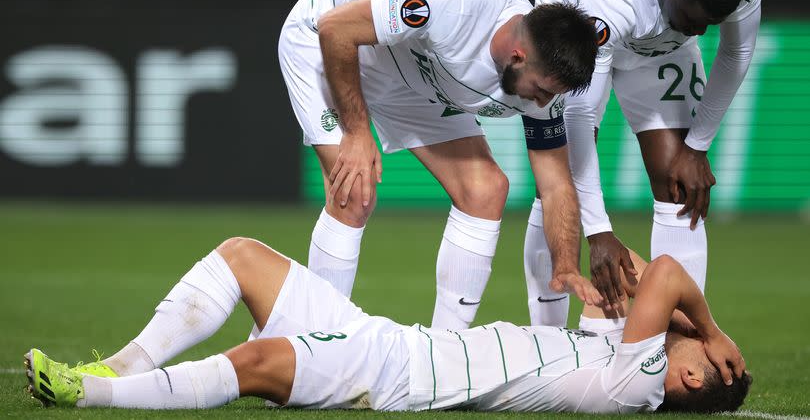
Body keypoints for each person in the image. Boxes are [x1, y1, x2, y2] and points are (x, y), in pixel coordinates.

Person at [24, 235, 750, 413]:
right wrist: (703, 334)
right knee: (242, 256)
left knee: (256, 364)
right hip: (393, 338)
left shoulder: (640, 384)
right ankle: (116, 365)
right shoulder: (631, 363)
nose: (709, 342)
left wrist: (713, 328)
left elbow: (665, 276)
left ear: (690, 373)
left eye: (712, 356)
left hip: (395, 374)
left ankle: (90, 396)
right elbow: (658, 285)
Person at [278, 0, 607, 329]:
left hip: (411, 74)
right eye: (541, 90)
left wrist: (566, 264)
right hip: (326, 41)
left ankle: (442, 354)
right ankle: (315, 345)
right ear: (518, 56)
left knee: (485, 190)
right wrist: (356, 133)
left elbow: (556, 185)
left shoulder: (544, 81)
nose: (544, 103)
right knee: (354, 191)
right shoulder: (453, 4)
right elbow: (336, 28)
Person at [527, 0, 762, 326]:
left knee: (679, 181)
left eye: (710, 23)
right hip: (571, 28)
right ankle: (546, 339)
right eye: (694, 20)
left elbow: (737, 52)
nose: (701, 33)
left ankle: (682, 346)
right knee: (556, 184)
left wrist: (697, 146)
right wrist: (598, 231)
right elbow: (581, 116)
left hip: (656, 42)